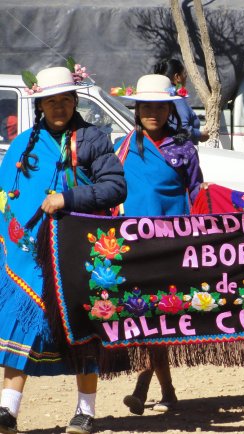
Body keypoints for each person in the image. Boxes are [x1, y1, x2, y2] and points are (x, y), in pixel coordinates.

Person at [0, 65, 126, 434]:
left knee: (82, 326)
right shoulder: (23, 144)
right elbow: (7, 195)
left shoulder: (93, 140)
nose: (58, 108)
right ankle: (7, 409)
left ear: (75, 101)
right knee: (20, 323)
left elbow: (115, 188)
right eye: (50, 102)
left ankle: (85, 411)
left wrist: (67, 197)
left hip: (78, 250)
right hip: (27, 255)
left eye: (65, 100)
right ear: (40, 105)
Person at [114, 74, 203, 415]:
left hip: (171, 244)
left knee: (158, 315)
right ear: (137, 110)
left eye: (159, 106)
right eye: (145, 106)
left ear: (170, 108)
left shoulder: (183, 150)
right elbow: (111, 193)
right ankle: (166, 391)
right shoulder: (121, 149)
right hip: (132, 244)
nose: (152, 112)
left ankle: (143, 386)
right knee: (148, 316)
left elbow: (197, 194)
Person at [153, 59, 209, 144]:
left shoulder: (160, 93)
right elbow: (182, 127)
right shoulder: (175, 97)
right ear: (177, 77)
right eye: (184, 75)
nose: (186, 78)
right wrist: (200, 135)